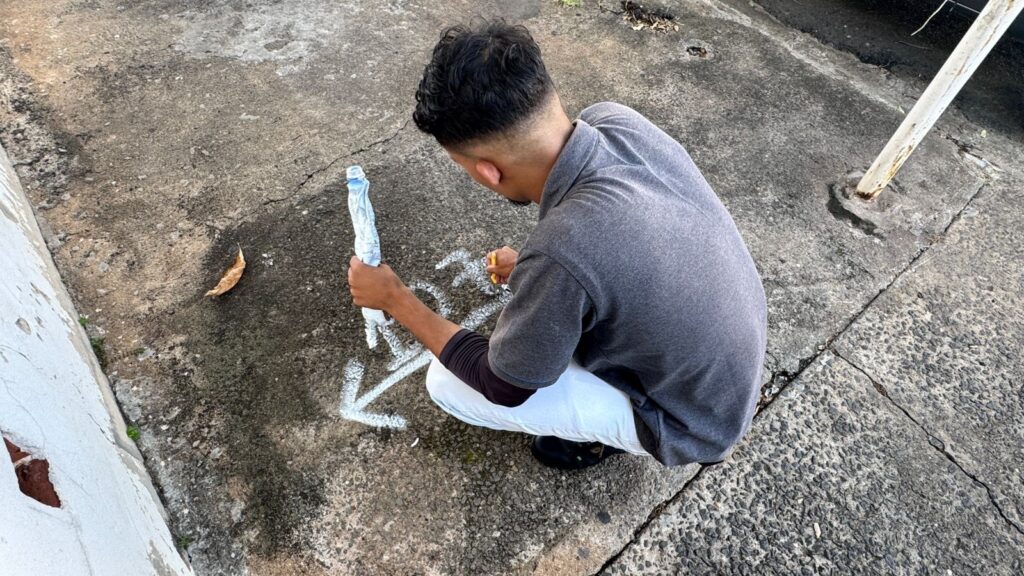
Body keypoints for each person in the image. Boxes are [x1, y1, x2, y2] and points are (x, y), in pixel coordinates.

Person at [347, 21, 767, 470]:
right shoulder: (617, 120)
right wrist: (540, 269)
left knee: (448, 384)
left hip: (695, 424)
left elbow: (503, 385)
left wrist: (396, 300)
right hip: (731, 370)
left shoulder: (562, 252)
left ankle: (606, 437)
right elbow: (607, 243)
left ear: (488, 171)